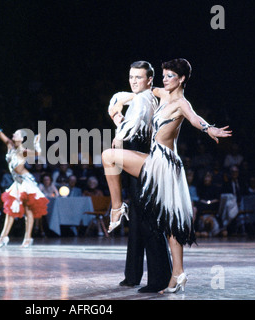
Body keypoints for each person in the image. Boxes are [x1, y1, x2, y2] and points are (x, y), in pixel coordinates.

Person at [104, 58, 232, 293]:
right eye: (164, 75)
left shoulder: (181, 102)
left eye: (171, 75)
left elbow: (195, 120)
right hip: (156, 160)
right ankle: (178, 274)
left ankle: (116, 208)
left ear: (182, 78)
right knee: (171, 220)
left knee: (109, 156)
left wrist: (209, 129)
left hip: (163, 162)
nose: (166, 79)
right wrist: (118, 118)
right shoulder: (160, 94)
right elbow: (122, 96)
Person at [107, 60, 173, 293]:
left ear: (149, 80)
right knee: (136, 221)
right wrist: (117, 120)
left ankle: (160, 278)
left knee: (147, 220)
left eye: (139, 77)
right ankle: (132, 275)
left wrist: (119, 128)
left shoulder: (146, 99)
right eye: (131, 76)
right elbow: (115, 99)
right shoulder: (136, 97)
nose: (134, 81)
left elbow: (131, 127)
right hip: (131, 157)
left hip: (144, 159)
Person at [0, 121, 49, 248]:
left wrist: (36, 143)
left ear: (22, 139)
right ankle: (3, 237)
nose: (13, 135)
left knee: (28, 210)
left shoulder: (23, 151)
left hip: (25, 182)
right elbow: (4, 138)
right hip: (17, 182)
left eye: (16, 134)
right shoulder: (11, 147)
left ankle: (28, 238)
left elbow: (37, 153)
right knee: (10, 210)